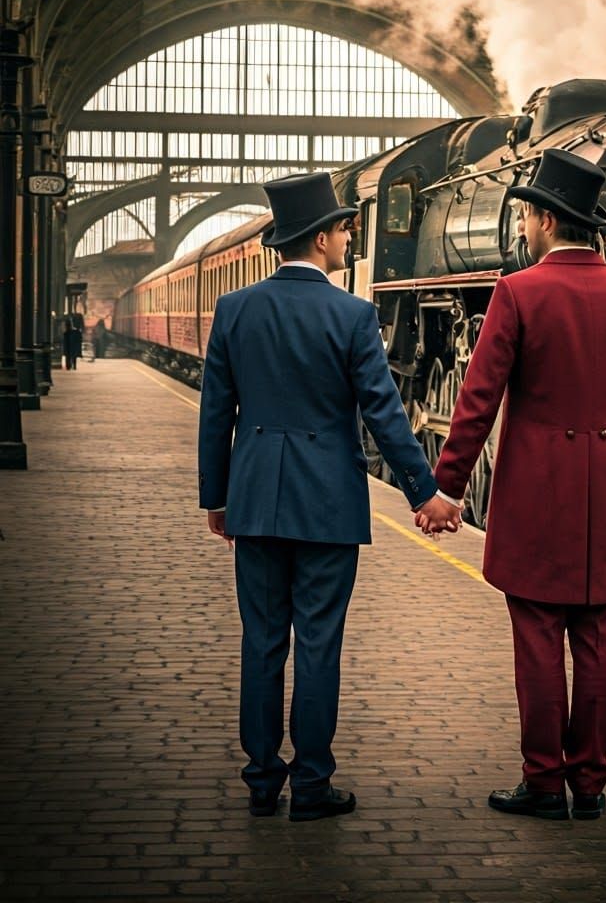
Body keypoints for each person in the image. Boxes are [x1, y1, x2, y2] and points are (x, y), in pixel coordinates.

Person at [198, 171, 460, 823]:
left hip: (255, 499)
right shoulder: (351, 315)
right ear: (320, 239)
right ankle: (311, 786)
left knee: (261, 644)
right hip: (327, 506)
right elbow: (385, 416)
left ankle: (262, 782)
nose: (350, 237)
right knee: (317, 644)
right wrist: (424, 493)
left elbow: (215, 416)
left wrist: (217, 498)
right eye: (345, 228)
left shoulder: (235, 310)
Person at [420, 148, 606, 821]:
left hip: (534, 499)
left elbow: (477, 401)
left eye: (527, 215)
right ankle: (590, 783)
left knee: (537, 637)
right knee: (597, 641)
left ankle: (543, 782)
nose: (523, 227)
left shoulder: (518, 293)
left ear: (549, 221)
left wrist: (448, 488)